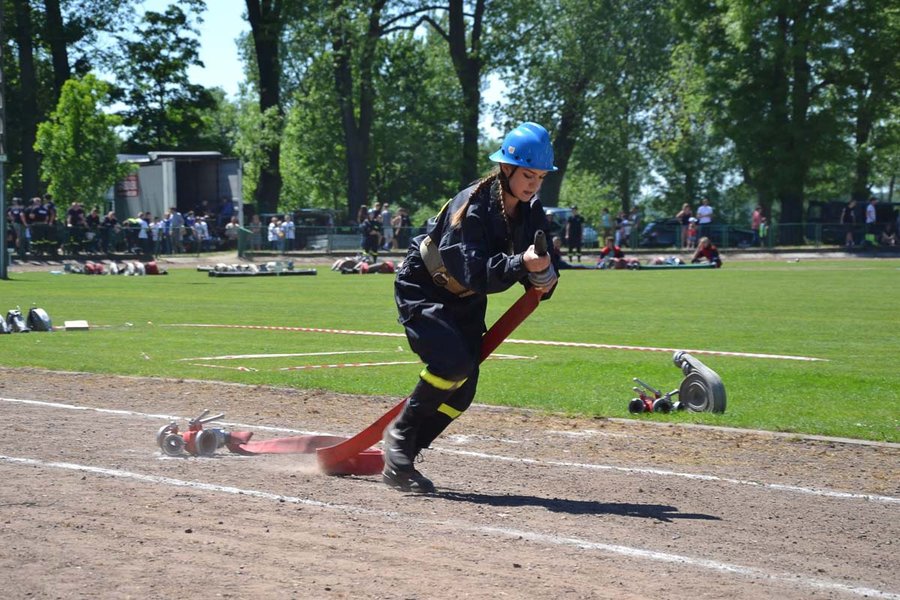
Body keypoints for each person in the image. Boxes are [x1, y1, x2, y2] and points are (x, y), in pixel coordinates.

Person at [384, 122, 558, 493]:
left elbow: (539, 261)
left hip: (465, 299)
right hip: (425, 288)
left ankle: (404, 456)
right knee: (453, 365)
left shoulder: (532, 210)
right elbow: (476, 273)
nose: (533, 184)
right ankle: (398, 436)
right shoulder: (472, 207)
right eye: (528, 174)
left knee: (461, 394)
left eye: (540, 177)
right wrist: (522, 266)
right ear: (506, 168)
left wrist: (545, 276)